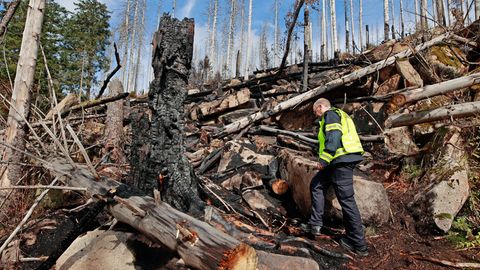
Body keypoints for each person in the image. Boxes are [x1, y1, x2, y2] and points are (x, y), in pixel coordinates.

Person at [300, 98, 369, 256]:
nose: (316, 115)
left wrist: (324, 159)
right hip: (336, 162)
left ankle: (358, 244)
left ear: (320, 107)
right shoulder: (339, 115)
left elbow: (334, 136)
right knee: (316, 184)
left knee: (347, 202)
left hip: (341, 161)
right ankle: (315, 224)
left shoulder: (330, 115)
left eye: (315, 111)